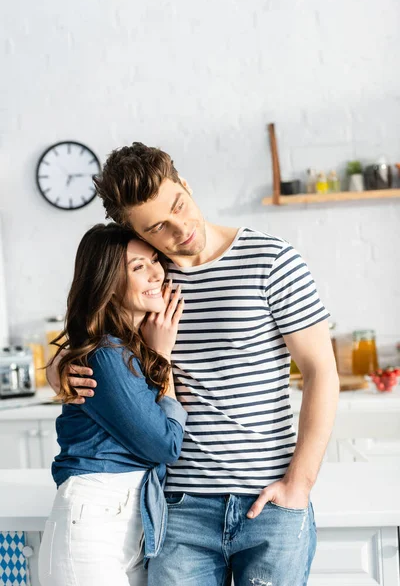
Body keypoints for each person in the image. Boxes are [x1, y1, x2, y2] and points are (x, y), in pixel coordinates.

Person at [47, 143, 340, 586]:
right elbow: (94, 331)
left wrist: (299, 485)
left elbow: (322, 370)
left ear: (185, 184)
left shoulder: (271, 260)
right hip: (178, 508)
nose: (180, 229)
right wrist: (60, 367)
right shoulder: (148, 279)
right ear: (137, 233)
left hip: (269, 501)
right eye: (158, 228)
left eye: (179, 205)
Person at [39, 222, 187, 586]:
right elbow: (164, 444)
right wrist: (163, 357)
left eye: (155, 260)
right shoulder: (107, 355)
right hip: (94, 523)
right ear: (108, 284)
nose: (156, 272)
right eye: (138, 267)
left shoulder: (126, 350)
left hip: (124, 526)